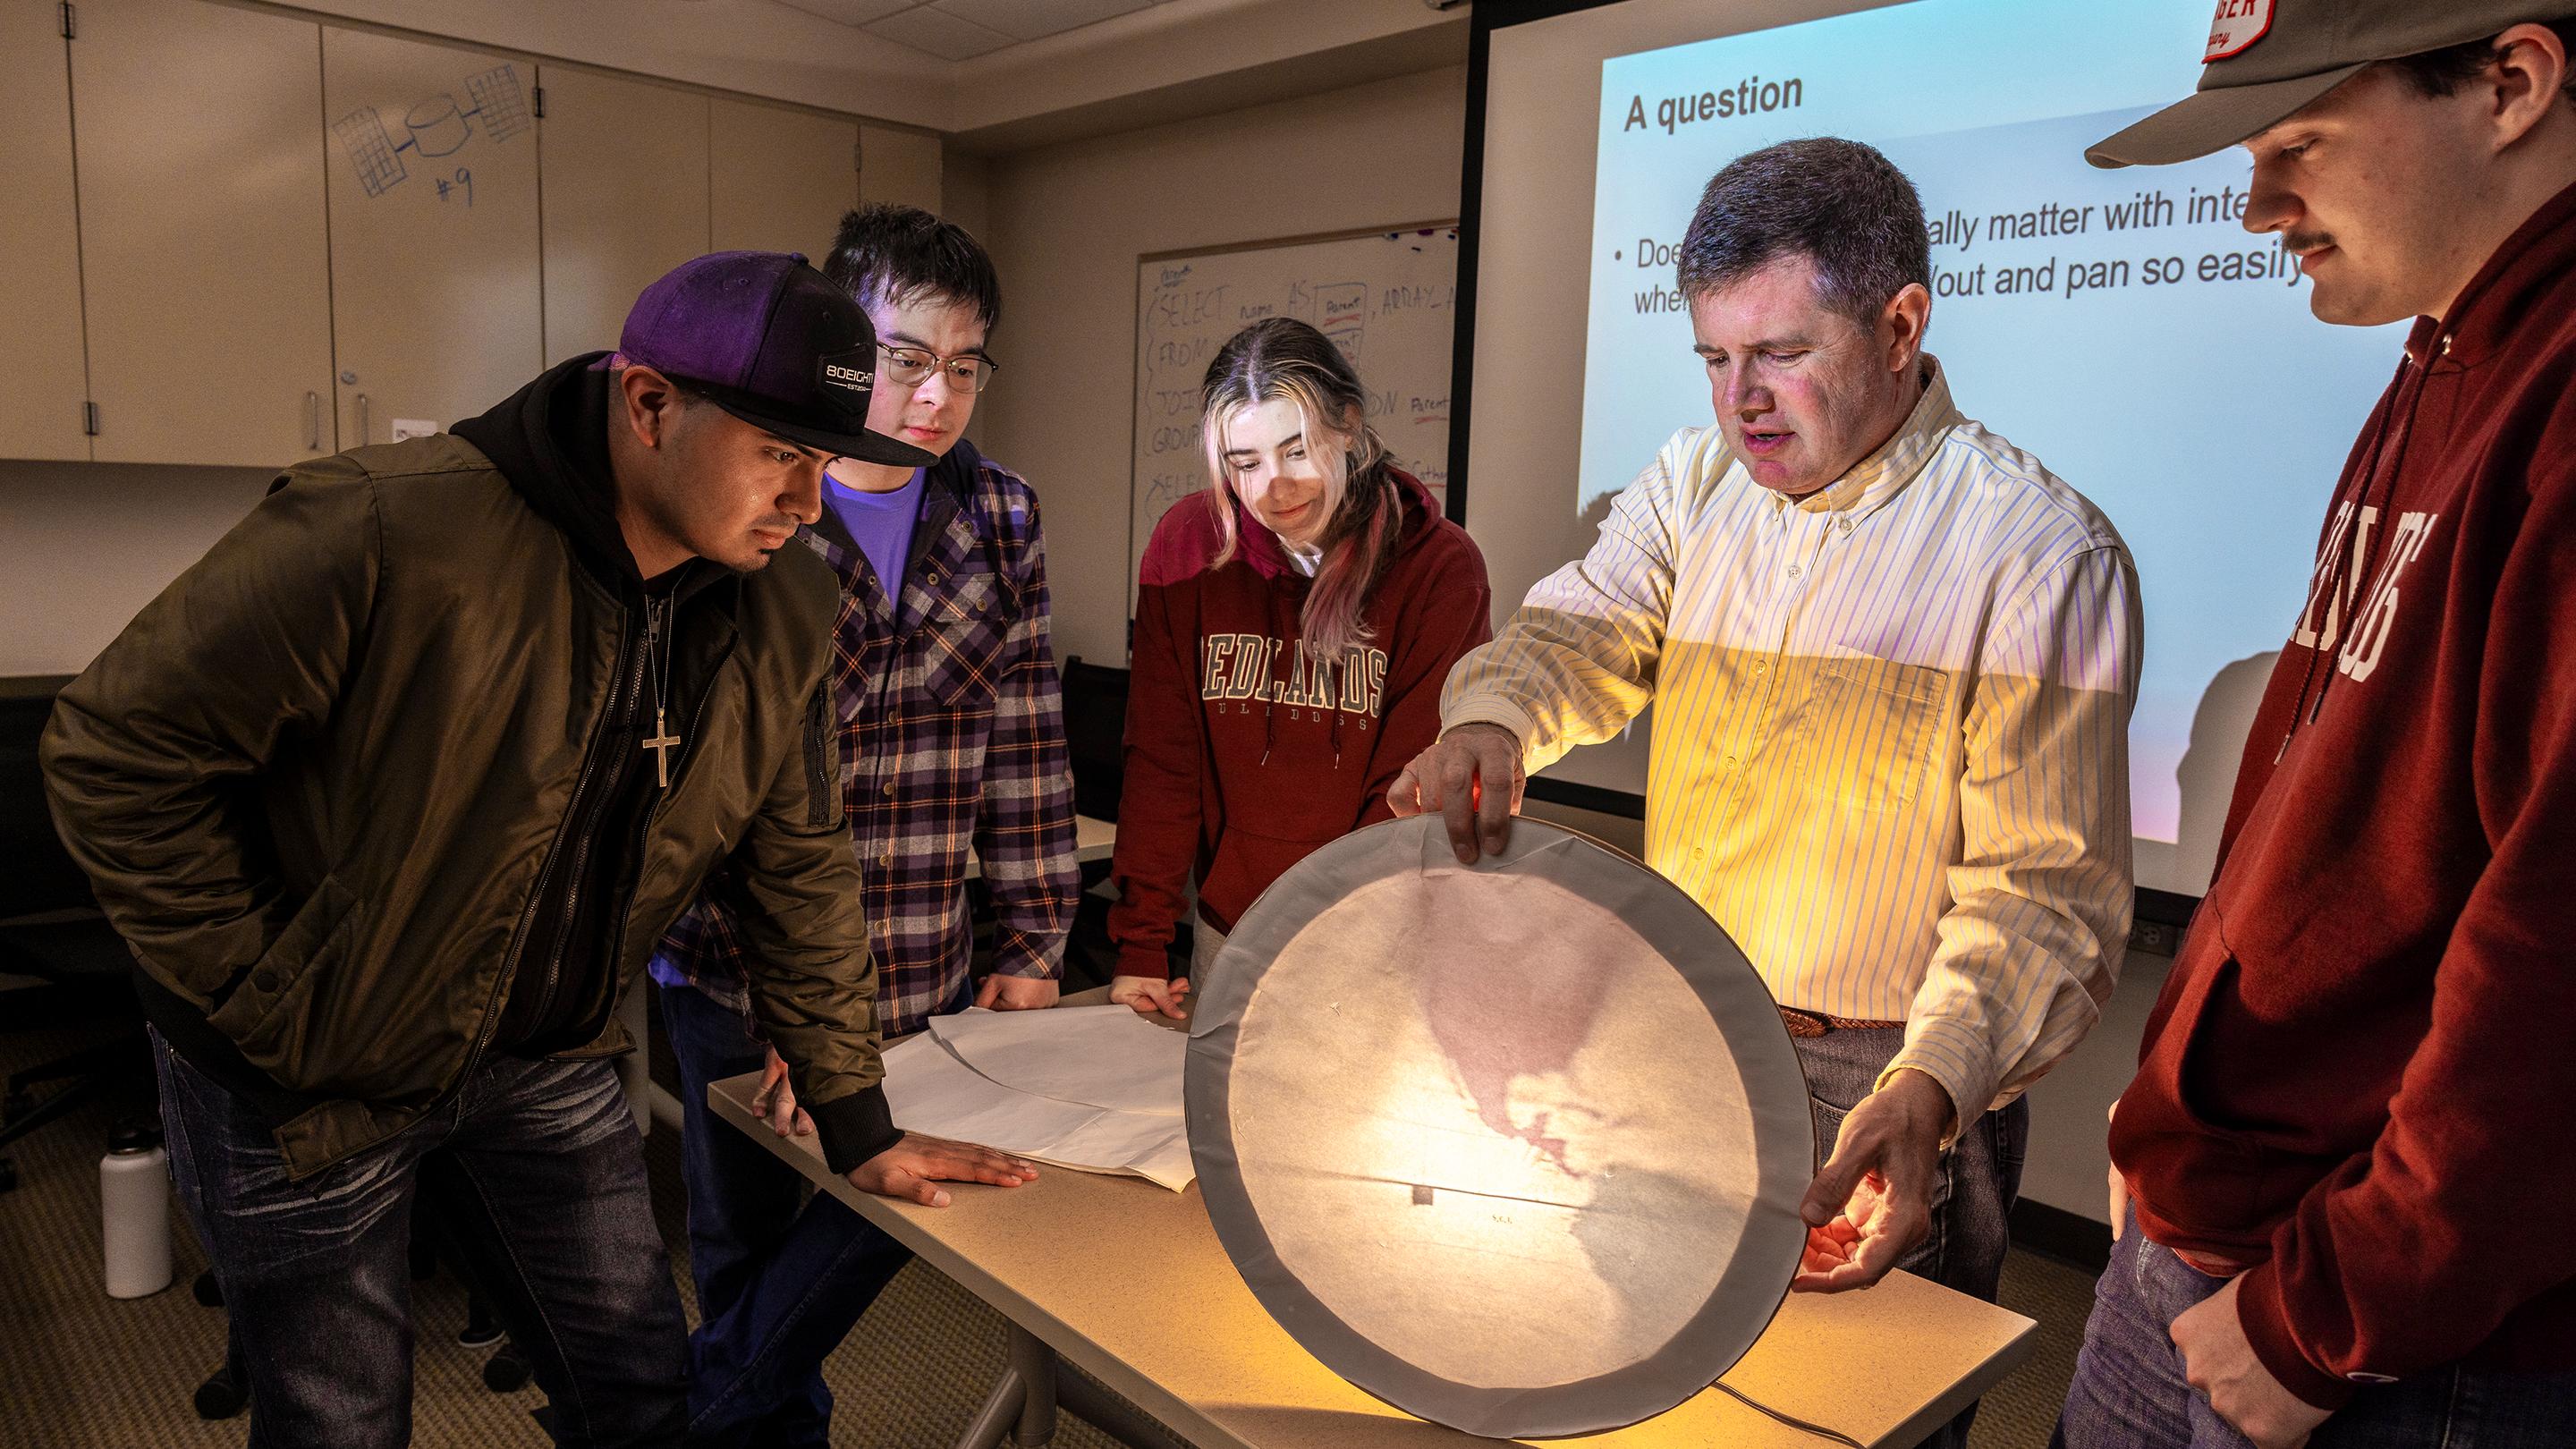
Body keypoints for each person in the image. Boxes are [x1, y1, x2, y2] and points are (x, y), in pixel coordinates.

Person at [38, 251, 1038, 1448]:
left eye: (824, 460)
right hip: (309, 1073)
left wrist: (854, 1115)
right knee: (339, 1421)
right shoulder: (385, 526)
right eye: (779, 452)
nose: (809, 501)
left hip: (546, 1059)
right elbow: (113, 754)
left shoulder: (783, 610)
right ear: (650, 403)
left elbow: (800, 862)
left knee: (639, 1395)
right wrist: (272, 1001)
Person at [1391, 138, 2142, 1447]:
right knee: (1645, 1388)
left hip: (1889, 1078)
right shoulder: (1695, 487)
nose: (1743, 401)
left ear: (1902, 323)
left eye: (1782, 353)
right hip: (1684, 1030)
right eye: (1715, 360)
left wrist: (1936, 1082)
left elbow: (2044, 897)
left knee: (1846, 1422)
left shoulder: (2036, 552)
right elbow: (1584, 631)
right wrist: (1495, 715)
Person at [2056, 7, 2576, 1447]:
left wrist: (2327, 1314)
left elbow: (2554, 952)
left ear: (2512, 84)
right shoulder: (2444, 353)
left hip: (2371, 1325)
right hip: (2232, 1222)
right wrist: (2174, 1092)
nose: (2257, 204)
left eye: (2298, 144)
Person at [649, 207, 1080, 1448]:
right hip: (737, 970)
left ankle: (702, 1415)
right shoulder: (753, 498)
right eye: (906, 358)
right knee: (742, 1240)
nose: (936, 395)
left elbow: (1029, 734)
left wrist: (1035, 940)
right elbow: (705, 782)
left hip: (919, 961)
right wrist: (797, 1006)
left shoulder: (1001, 515)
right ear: (847, 345)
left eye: (963, 364)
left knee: (883, 1216)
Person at [1106, 317, 1491, 1019]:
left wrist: (1340, 941)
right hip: (1230, 930)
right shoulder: (1189, 546)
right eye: (1244, 462)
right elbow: (1164, 760)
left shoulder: (1439, 568)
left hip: (1375, 936)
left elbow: (1408, 791)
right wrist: (1142, 943)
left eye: (1297, 450)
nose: (1273, 488)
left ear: (1348, 426)